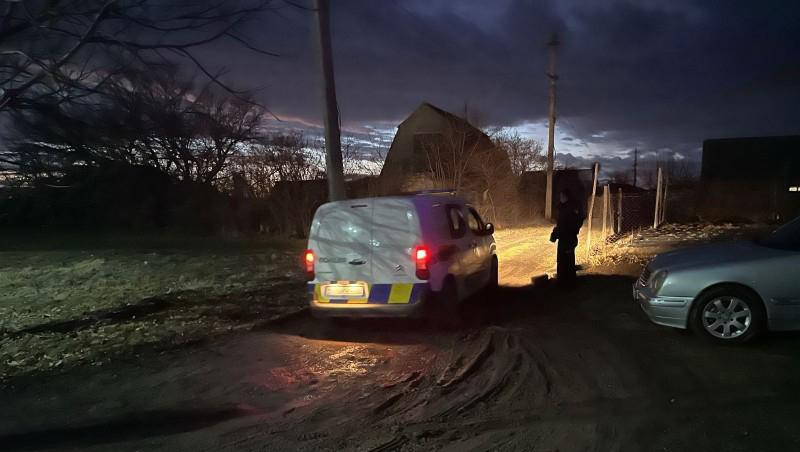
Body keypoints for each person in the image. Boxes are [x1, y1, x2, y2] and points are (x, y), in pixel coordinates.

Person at [549, 188, 585, 287]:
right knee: (566, 260)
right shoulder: (567, 208)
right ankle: (567, 281)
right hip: (568, 238)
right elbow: (562, 224)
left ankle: (565, 283)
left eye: (562, 196)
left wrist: (555, 234)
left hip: (567, 239)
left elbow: (563, 225)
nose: (560, 198)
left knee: (565, 261)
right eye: (560, 196)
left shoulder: (567, 209)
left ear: (567, 197)